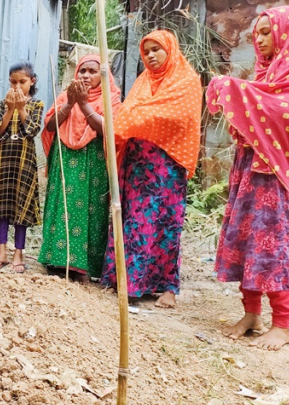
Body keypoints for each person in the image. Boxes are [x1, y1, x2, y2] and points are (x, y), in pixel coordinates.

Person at [207, 6, 289, 350]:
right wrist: (242, 97)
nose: (257, 40)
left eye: (265, 32)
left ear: (286, 31)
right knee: (247, 240)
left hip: (277, 172)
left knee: (275, 245)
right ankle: (251, 313)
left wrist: (237, 91)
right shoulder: (265, 71)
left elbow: (288, 112)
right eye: (255, 33)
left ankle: (283, 324)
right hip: (249, 168)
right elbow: (250, 118)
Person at [101, 30, 202, 307]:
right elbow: (126, 116)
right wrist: (135, 119)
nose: (151, 56)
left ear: (170, 50)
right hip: (136, 164)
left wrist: (138, 118)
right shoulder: (143, 81)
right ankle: (124, 280)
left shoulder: (187, 81)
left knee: (165, 224)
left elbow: (180, 117)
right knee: (131, 222)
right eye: (146, 51)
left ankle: (167, 287)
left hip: (167, 165)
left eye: (157, 49)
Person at [39, 54, 122, 283]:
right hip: (65, 158)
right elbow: (49, 125)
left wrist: (84, 105)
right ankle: (56, 260)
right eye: (82, 71)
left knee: (90, 207)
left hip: (93, 160)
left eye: (92, 71)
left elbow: (107, 130)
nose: (86, 75)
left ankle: (83, 265)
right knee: (61, 203)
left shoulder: (110, 98)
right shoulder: (66, 96)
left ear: (103, 75)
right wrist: (69, 103)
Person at [0, 61, 44, 273]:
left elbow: (32, 130)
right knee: (2, 205)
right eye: (13, 82)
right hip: (4, 158)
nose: (17, 86)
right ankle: (1, 252)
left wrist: (20, 108)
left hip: (24, 160)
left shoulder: (36, 105)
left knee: (21, 204)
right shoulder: (2, 104)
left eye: (22, 82)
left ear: (32, 81)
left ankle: (19, 253)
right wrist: (10, 109)